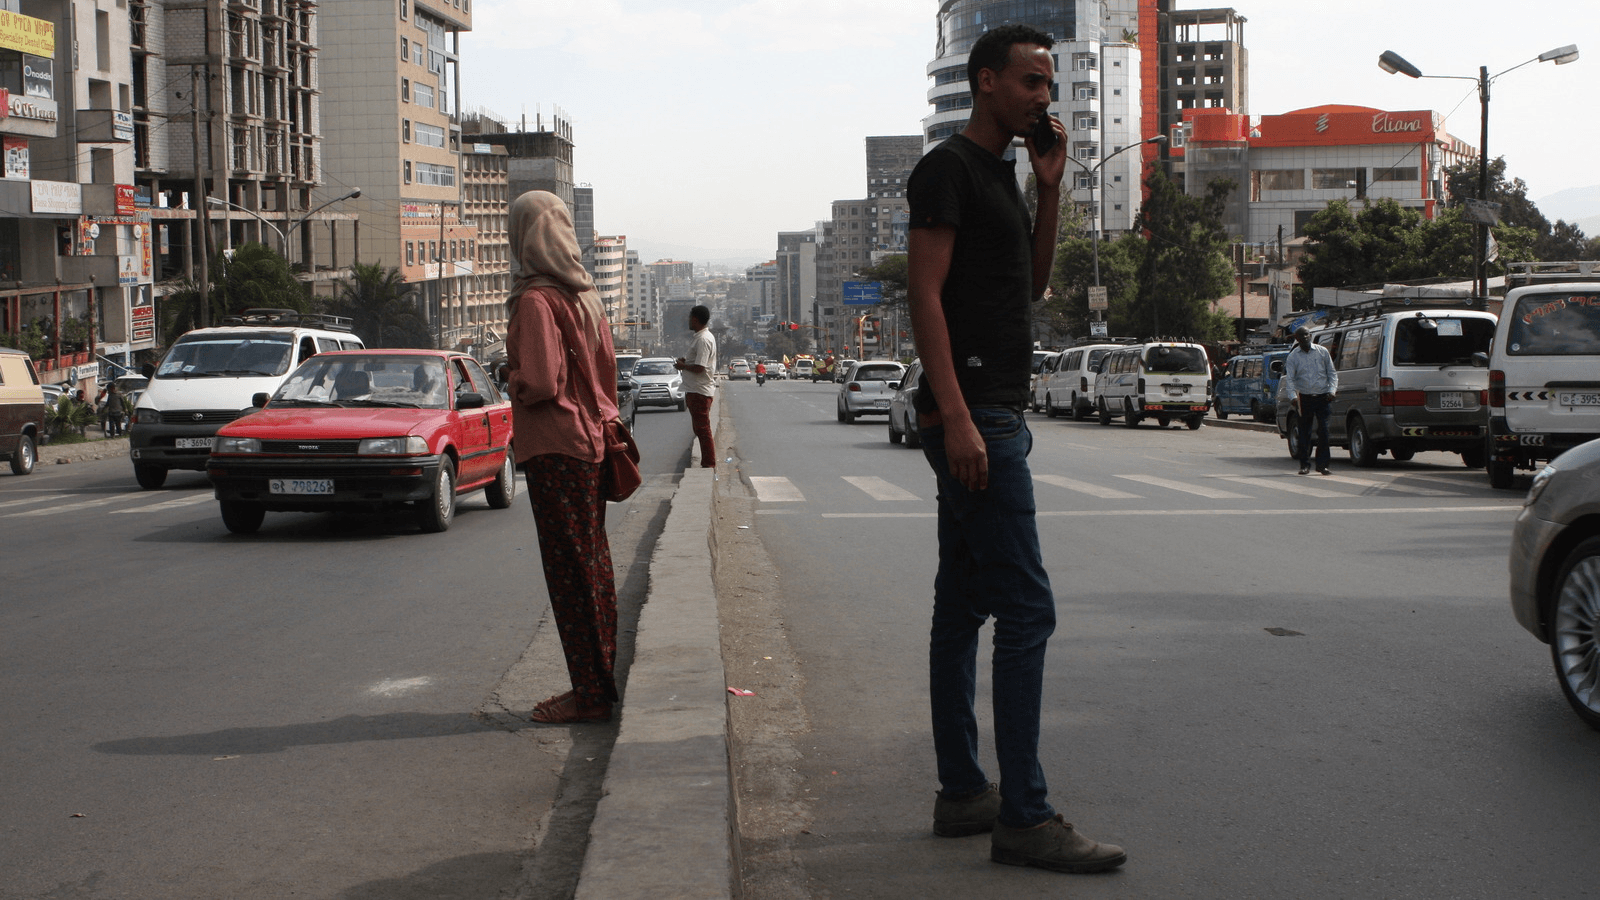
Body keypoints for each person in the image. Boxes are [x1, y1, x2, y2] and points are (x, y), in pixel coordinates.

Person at [905, 24, 1126, 875]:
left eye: (1050, 85)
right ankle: (1025, 816)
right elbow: (925, 297)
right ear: (987, 82)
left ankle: (965, 794)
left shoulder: (1002, 177)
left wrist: (1051, 190)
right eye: (1033, 82)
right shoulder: (947, 169)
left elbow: (1029, 286)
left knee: (962, 606)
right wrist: (957, 417)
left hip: (990, 409)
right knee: (1028, 610)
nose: (1046, 97)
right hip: (978, 418)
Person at [504, 190, 624, 725]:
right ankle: (600, 682)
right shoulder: (586, 295)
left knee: (569, 574)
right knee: (593, 566)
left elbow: (539, 381)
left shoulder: (535, 300)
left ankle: (591, 695)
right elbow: (606, 379)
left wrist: (510, 376)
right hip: (591, 446)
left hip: (556, 448)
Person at [1283, 327, 1338, 475]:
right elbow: (1290, 379)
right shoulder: (1293, 356)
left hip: (1322, 397)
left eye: (1307, 335)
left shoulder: (1322, 352)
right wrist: (1292, 397)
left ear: (1311, 336)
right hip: (1304, 398)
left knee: (1324, 432)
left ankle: (1323, 465)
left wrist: (1332, 391)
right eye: (1301, 336)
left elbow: (1332, 373)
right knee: (1304, 433)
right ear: (1298, 339)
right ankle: (1304, 465)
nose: (1305, 338)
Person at [674, 305, 716, 467]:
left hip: (700, 390)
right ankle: (707, 463)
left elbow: (700, 368)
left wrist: (683, 367)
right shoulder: (700, 337)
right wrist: (685, 362)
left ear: (695, 319)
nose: (688, 321)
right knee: (700, 429)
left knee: (703, 430)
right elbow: (696, 363)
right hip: (695, 389)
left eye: (690, 318)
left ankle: (709, 464)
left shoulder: (704, 340)